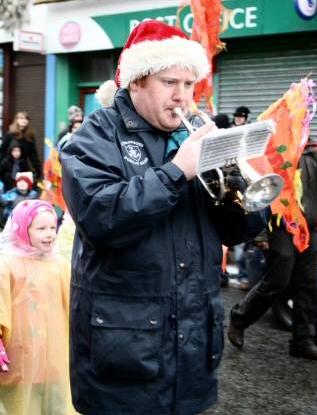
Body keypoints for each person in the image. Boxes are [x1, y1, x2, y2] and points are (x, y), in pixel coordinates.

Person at [61, 20, 270, 415]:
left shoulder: (191, 135)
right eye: (170, 82)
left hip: (192, 346)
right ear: (137, 81)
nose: (182, 97)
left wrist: (235, 180)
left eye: (189, 85)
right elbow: (102, 217)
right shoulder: (96, 134)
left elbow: (239, 231)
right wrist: (178, 171)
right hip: (125, 350)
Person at [228, 137, 317, 361]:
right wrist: (259, 235)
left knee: (307, 283)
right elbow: (256, 193)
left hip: (308, 227)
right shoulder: (272, 152)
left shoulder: (313, 155)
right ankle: (239, 318)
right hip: (279, 226)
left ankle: (303, 340)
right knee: (279, 279)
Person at [0, 200, 76, 414]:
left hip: (54, 357)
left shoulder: (59, 265)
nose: (50, 234)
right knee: (22, 406)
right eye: (41, 228)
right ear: (23, 229)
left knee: (56, 404)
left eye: (53, 227)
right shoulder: (7, 265)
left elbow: (74, 303)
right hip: (20, 358)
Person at [0, 111, 42, 185]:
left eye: (26, 119)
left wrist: (38, 169)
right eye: (21, 118)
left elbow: (33, 155)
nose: (24, 120)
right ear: (17, 120)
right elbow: (2, 151)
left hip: (23, 167)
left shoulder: (30, 136)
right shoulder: (10, 134)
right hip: (8, 167)